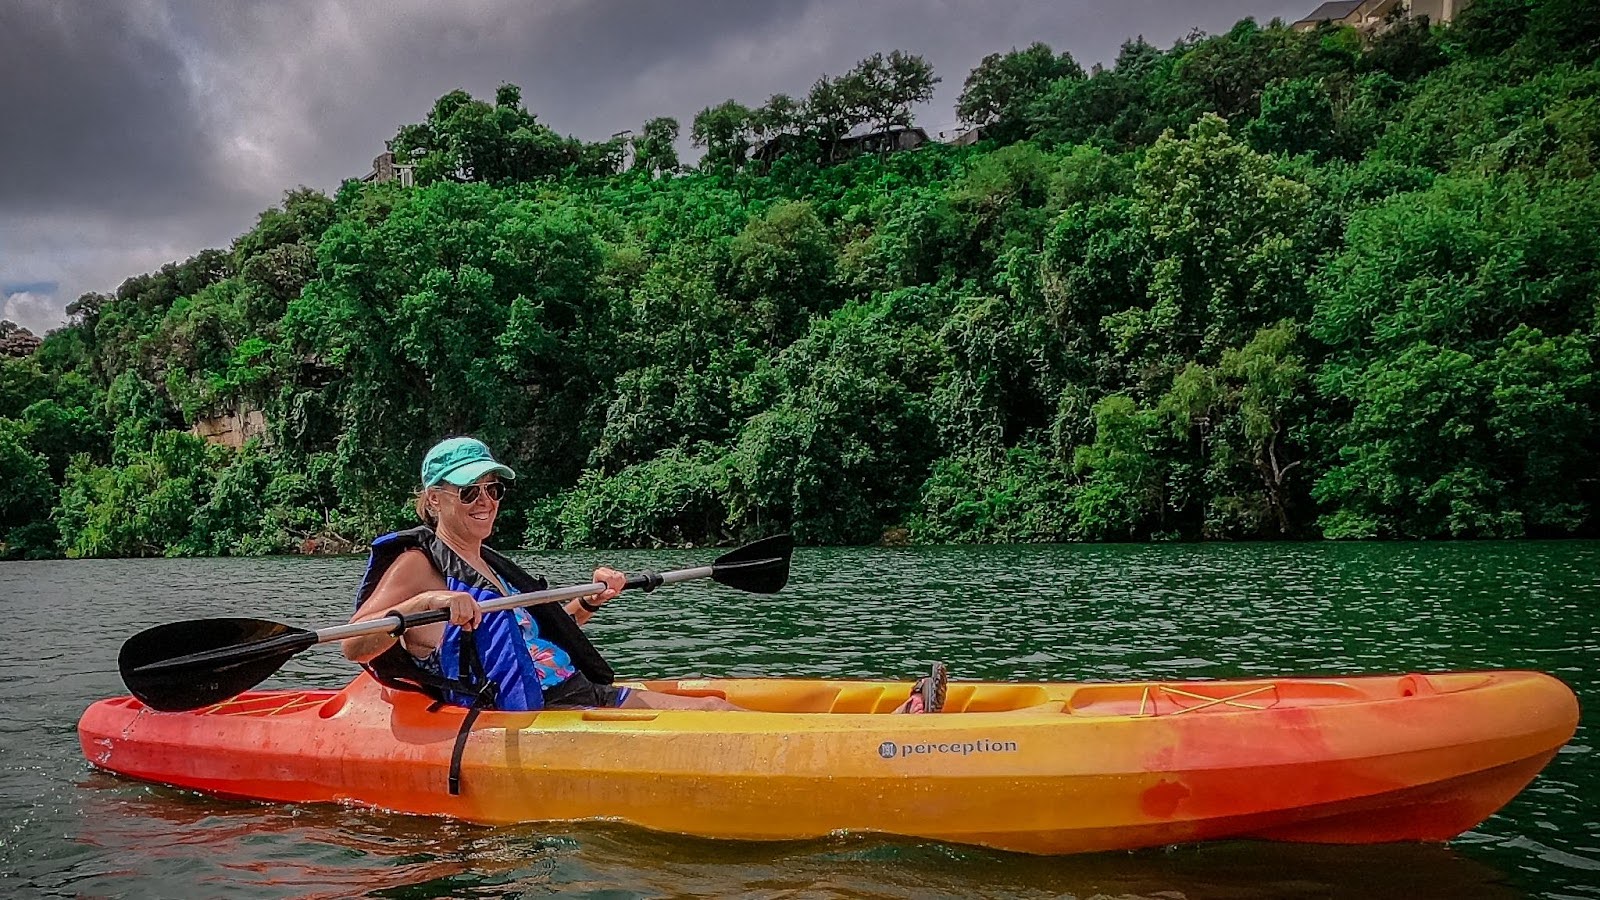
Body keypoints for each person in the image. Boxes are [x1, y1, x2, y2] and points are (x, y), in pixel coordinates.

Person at [343, 436, 947, 713]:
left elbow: (533, 642)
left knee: (712, 706)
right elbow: (354, 644)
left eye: (493, 489)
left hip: (567, 690)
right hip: (532, 713)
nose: (486, 500)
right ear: (434, 500)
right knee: (710, 717)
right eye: (469, 490)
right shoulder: (419, 562)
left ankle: (883, 731)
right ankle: (885, 741)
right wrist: (426, 602)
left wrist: (589, 604)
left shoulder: (493, 565)